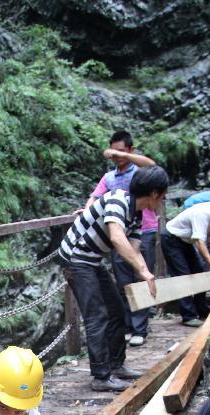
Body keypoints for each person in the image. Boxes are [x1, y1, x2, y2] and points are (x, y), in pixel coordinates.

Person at [59, 166, 169, 392]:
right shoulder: (118, 200)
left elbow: (135, 249)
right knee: (97, 315)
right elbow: (117, 238)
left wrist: (146, 275)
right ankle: (101, 376)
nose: (163, 199)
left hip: (92, 261)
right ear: (155, 193)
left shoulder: (137, 214)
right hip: (76, 259)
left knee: (117, 310)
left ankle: (116, 365)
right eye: (164, 195)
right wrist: (144, 271)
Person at [85, 129, 158, 346]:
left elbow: (152, 166)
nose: (118, 156)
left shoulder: (141, 173)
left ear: (130, 150)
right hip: (119, 235)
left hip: (144, 230)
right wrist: (86, 213)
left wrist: (126, 157)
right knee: (123, 281)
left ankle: (140, 329)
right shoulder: (109, 178)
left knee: (142, 277)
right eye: (114, 152)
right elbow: (94, 198)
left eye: (122, 152)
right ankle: (128, 325)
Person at [160, 181, 210, 325]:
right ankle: (188, 316)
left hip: (185, 241)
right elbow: (199, 241)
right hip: (171, 238)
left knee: (200, 272)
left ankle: (201, 308)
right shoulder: (205, 213)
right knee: (182, 276)